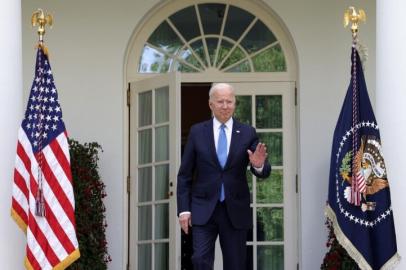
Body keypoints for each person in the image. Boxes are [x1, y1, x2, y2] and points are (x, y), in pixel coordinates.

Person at [177, 83, 271, 270]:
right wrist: (184, 210)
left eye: (230, 101)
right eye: (220, 101)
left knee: (236, 264)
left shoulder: (247, 132)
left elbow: (264, 170)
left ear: (235, 103)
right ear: (210, 104)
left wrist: (258, 165)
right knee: (200, 261)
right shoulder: (197, 132)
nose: (225, 105)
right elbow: (185, 175)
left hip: (234, 209)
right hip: (203, 208)